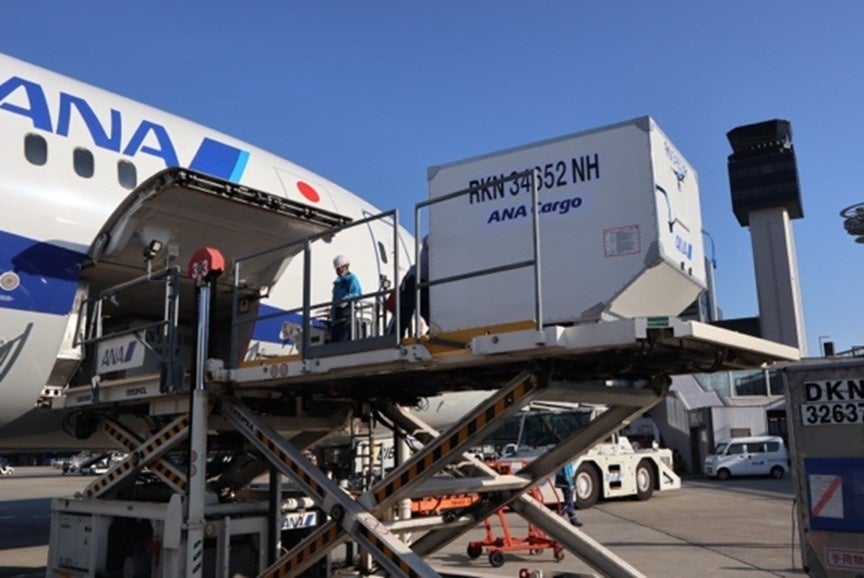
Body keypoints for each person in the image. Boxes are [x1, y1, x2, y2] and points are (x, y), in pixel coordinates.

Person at [391, 235, 430, 338]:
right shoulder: (432, 239)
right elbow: (427, 241)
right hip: (414, 279)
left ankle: (432, 335)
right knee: (405, 311)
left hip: (427, 283)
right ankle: (394, 337)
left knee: (431, 314)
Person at [330, 254, 362, 342]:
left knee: (343, 339)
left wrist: (346, 300)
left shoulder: (351, 279)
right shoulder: (337, 282)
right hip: (336, 318)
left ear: (345, 266)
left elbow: (357, 293)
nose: (337, 271)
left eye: (338, 268)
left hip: (346, 315)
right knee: (335, 342)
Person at [556, 461, 582, 527]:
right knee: (569, 503)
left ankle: (573, 519)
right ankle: (560, 513)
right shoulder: (567, 460)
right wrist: (570, 483)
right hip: (566, 482)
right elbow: (567, 471)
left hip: (563, 481)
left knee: (569, 501)